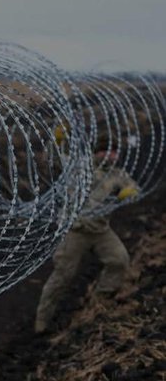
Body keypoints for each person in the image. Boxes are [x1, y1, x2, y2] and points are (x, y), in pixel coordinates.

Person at [34, 133, 139, 333]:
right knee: (63, 276)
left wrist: (130, 192)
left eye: (115, 152)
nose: (112, 156)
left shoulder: (117, 174)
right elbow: (52, 158)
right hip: (75, 231)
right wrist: (55, 140)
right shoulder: (78, 167)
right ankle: (42, 320)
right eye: (108, 151)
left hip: (100, 230)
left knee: (119, 260)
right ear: (97, 152)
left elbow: (133, 188)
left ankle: (100, 301)